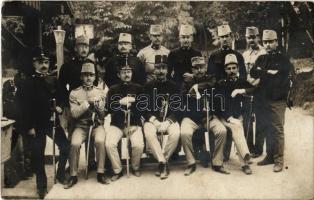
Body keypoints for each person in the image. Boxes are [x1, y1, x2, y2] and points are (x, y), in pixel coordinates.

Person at [16, 47, 70, 198]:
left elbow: (63, 96)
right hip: (36, 124)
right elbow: (23, 107)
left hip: (52, 122)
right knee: (38, 155)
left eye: (46, 62)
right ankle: (42, 186)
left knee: (65, 146)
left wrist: (60, 105)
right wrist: (29, 126)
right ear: (34, 64)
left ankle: (60, 174)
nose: (44, 65)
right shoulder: (26, 83)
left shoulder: (54, 80)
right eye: (40, 62)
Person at [250, 30, 294, 172]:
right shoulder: (261, 58)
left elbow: (281, 78)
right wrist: (268, 72)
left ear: (276, 42)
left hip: (277, 99)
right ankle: (269, 156)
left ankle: (279, 160)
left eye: (270, 42)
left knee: (277, 129)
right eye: (265, 42)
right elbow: (252, 72)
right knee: (266, 127)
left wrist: (263, 73)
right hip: (263, 99)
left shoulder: (284, 59)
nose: (268, 45)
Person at [180, 56, 229, 175]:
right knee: (185, 133)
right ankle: (191, 163)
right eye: (196, 68)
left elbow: (212, 84)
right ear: (192, 70)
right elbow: (181, 99)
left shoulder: (211, 79)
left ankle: (217, 162)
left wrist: (197, 87)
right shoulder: (186, 82)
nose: (199, 70)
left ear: (206, 67)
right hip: (191, 118)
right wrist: (188, 96)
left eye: (202, 67)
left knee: (222, 131)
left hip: (208, 117)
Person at [65, 61, 108, 189]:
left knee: (100, 141)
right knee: (75, 143)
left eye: (91, 75)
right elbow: (74, 113)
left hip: (96, 126)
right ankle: (73, 175)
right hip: (81, 127)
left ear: (95, 77)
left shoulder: (100, 92)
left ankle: (100, 173)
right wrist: (87, 103)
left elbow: (103, 115)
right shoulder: (74, 93)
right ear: (81, 77)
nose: (88, 78)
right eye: (85, 75)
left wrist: (99, 108)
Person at [207, 24, 247, 161]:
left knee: (232, 123)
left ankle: (226, 154)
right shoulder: (213, 56)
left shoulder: (238, 56)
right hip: (218, 95)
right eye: (222, 37)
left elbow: (243, 76)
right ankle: (216, 154)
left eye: (227, 36)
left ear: (231, 37)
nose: (224, 39)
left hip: (234, 96)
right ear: (219, 38)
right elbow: (210, 77)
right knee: (218, 124)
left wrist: (236, 87)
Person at [58, 35, 98, 170]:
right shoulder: (67, 66)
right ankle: (72, 164)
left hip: (89, 104)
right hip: (73, 103)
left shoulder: (91, 65)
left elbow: (96, 84)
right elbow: (61, 86)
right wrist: (66, 104)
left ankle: (91, 161)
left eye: (86, 46)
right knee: (73, 134)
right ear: (76, 48)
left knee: (91, 130)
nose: (84, 49)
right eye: (81, 46)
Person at [143, 55, 180, 179]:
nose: (161, 71)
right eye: (158, 68)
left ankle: (163, 161)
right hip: (153, 120)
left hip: (169, 119)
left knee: (175, 133)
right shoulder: (148, 86)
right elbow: (144, 108)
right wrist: (154, 120)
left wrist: (168, 121)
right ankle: (163, 162)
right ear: (154, 69)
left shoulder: (174, 86)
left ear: (168, 70)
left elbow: (178, 108)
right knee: (148, 132)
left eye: (164, 68)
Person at [105, 63, 145, 180]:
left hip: (133, 124)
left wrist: (134, 100)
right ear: (119, 74)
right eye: (123, 72)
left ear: (132, 73)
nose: (126, 74)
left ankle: (135, 167)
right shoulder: (113, 89)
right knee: (109, 144)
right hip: (117, 124)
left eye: (129, 72)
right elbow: (108, 107)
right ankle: (118, 170)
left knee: (138, 145)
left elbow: (143, 107)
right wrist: (119, 103)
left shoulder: (139, 88)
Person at [217, 54, 254, 175]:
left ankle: (244, 157)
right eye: (228, 68)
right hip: (224, 117)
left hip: (238, 115)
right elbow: (218, 104)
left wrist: (241, 90)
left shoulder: (242, 81)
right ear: (225, 70)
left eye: (234, 68)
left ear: (238, 68)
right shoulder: (221, 84)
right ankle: (245, 161)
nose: (231, 71)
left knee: (238, 126)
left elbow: (255, 89)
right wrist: (229, 118)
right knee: (237, 127)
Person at [242, 26, 267, 158]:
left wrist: (255, 85)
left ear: (258, 37)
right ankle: (248, 147)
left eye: (254, 37)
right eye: (248, 37)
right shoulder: (245, 54)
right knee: (247, 119)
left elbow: (264, 74)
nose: (251, 39)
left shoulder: (264, 53)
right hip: (247, 91)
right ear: (246, 38)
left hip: (261, 90)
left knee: (260, 119)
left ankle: (258, 149)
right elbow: (243, 73)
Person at [167, 24, 202, 88]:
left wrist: (193, 76)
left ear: (192, 39)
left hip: (193, 85)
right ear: (179, 39)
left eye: (188, 37)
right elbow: (168, 73)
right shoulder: (173, 53)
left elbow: (201, 72)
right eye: (183, 37)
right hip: (177, 85)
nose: (186, 40)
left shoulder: (197, 53)